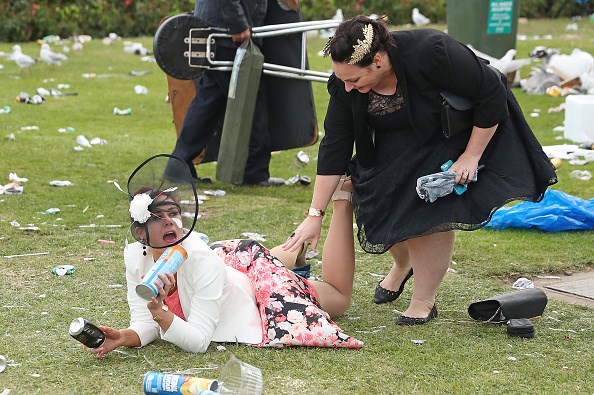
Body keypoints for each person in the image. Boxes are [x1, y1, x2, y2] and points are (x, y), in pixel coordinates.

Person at [283, 16, 557, 326]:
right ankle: (404, 265)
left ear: (377, 60)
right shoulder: (347, 87)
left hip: (453, 133)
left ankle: (423, 301)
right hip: (399, 139)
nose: (347, 87)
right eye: (343, 80)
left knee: (427, 211)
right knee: (379, 205)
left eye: (354, 80)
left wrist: (470, 156)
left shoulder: (432, 51)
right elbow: (335, 145)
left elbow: (491, 91)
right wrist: (314, 214)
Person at [88, 155, 361, 357]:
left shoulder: (199, 258)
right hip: (231, 266)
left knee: (338, 298)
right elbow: (144, 321)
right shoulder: (136, 257)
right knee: (264, 263)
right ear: (140, 233)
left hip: (255, 298)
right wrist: (125, 336)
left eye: (174, 214)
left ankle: (342, 200)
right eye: (159, 217)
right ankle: (293, 251)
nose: (170, 222)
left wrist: (160, 312)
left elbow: (198, 342)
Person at [164, 0, 284, 186]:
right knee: (250, 101)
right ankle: (254, 172)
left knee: (210, 101)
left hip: (220, 29)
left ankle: (179, 164)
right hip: (226, 31)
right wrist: (237, 23)